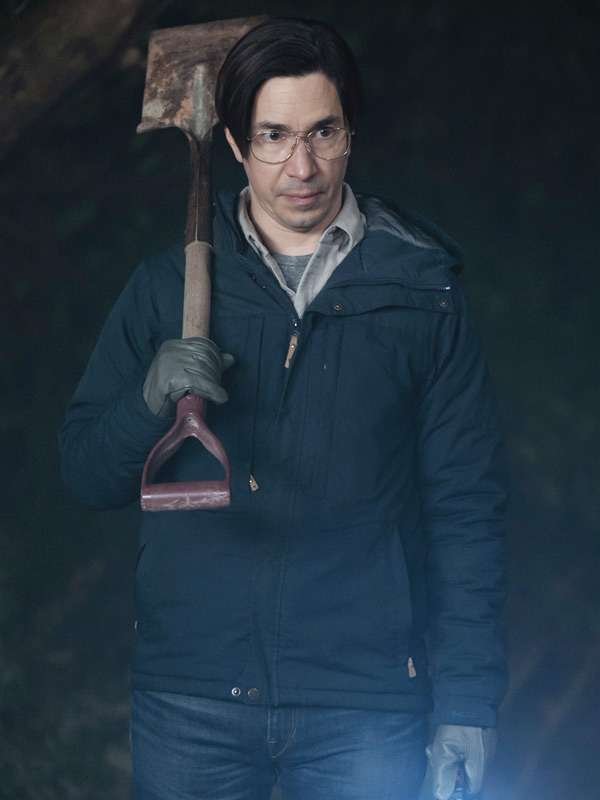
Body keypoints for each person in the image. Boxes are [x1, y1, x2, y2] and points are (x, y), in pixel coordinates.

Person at [60, 17, 507, 800]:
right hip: (192, 699)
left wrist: (468, 700)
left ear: (350, 132)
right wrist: (147, 400)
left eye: (322, 132)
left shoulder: (422, 293)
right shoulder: (166, 291)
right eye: (273, 136)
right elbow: (84, 473)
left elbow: (465, 506)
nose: (302, 166)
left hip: (363, 703)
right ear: (234, 144)